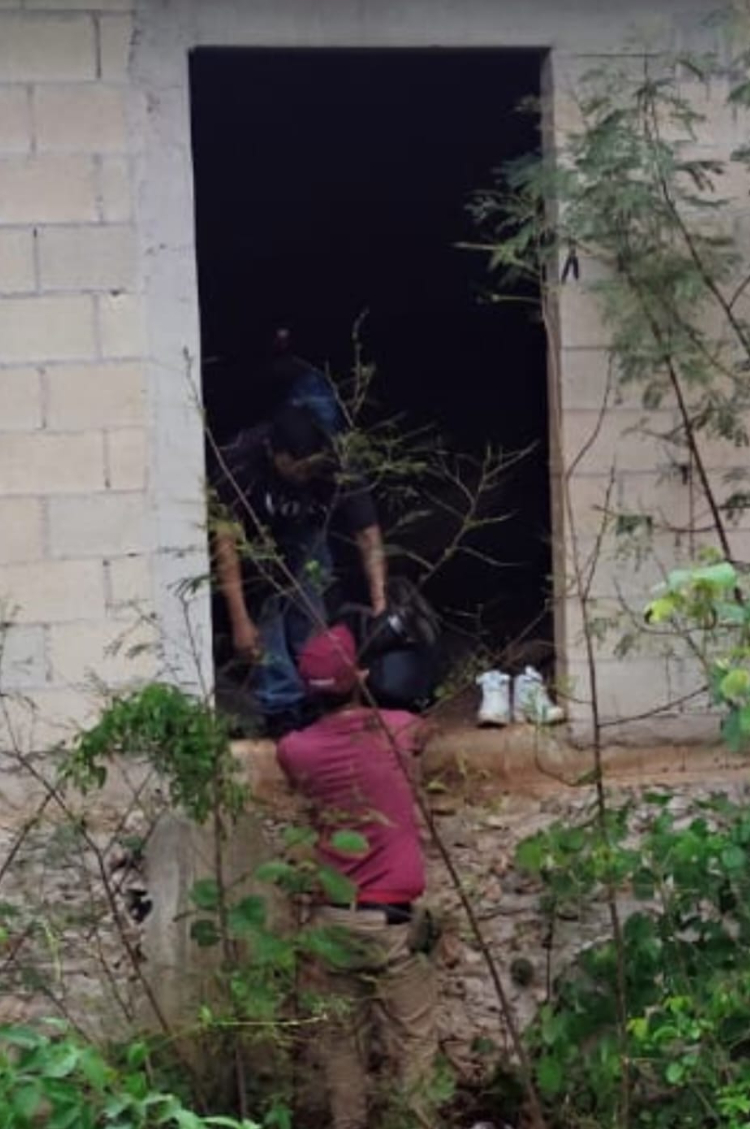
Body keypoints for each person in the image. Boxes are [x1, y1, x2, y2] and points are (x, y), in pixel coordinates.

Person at [276, 625, 438, 1129]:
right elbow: (427, 728)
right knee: (415, 1040)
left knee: (341, 1045)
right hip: (391, 923)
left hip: (332, 923)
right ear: (362, 675)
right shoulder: (399, 729)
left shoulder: (296, 749)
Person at [211, 402, 387, 736]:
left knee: (310, 604)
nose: (306, 476)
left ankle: (319, 691)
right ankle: (282, 705)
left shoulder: (336, 462)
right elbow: (226, 542)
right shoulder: (239, 462)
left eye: (312, 469)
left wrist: (380, 601)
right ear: (275, 453)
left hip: (305, 531)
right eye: (298, 469)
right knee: (266, 616)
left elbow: (368, 533)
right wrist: (239, 622)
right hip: (253, 541)